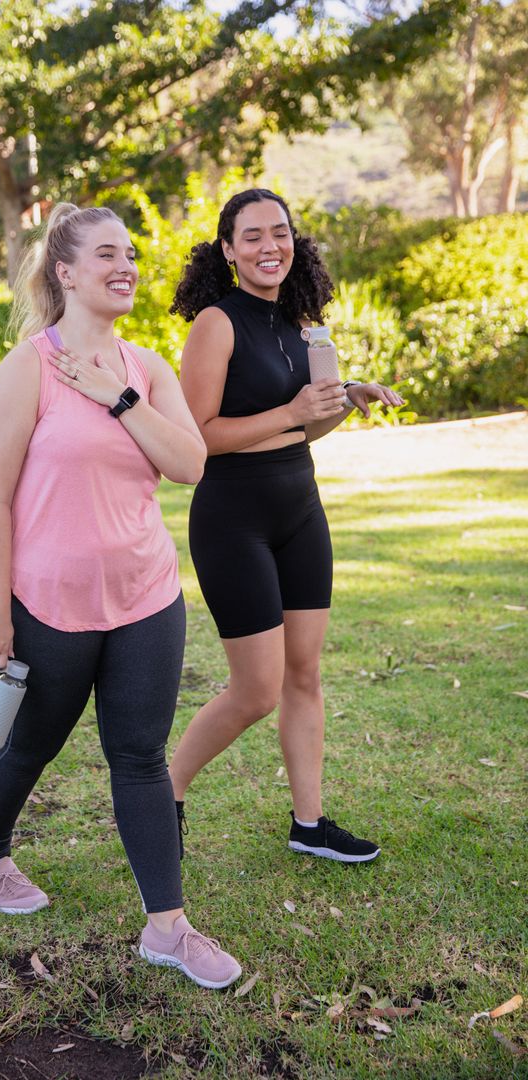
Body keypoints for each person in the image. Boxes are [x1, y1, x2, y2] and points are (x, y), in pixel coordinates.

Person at [0, 202, 242, 990]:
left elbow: (189, 463)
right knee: (32, 745)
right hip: (48, 602)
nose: (126, 266)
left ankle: (168, 928)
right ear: (65, 272)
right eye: (107, 256)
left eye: (131, 255)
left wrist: (117, 397)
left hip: (146, 596)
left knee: (139, 756)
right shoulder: (29, 366)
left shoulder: (146, 367)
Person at [168, 188, 404, 863]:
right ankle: (167, 788)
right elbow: (196, 440)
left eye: (281, 232)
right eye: (253, 236)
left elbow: (307, 426)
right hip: (232, 519)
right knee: (256, 690)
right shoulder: (216, 323)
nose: (270, 246)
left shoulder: (302, 322)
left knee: (305, 674)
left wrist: (345, 401)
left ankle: (309, 825)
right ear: (228, 250)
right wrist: (294, 410)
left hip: (301, 511)